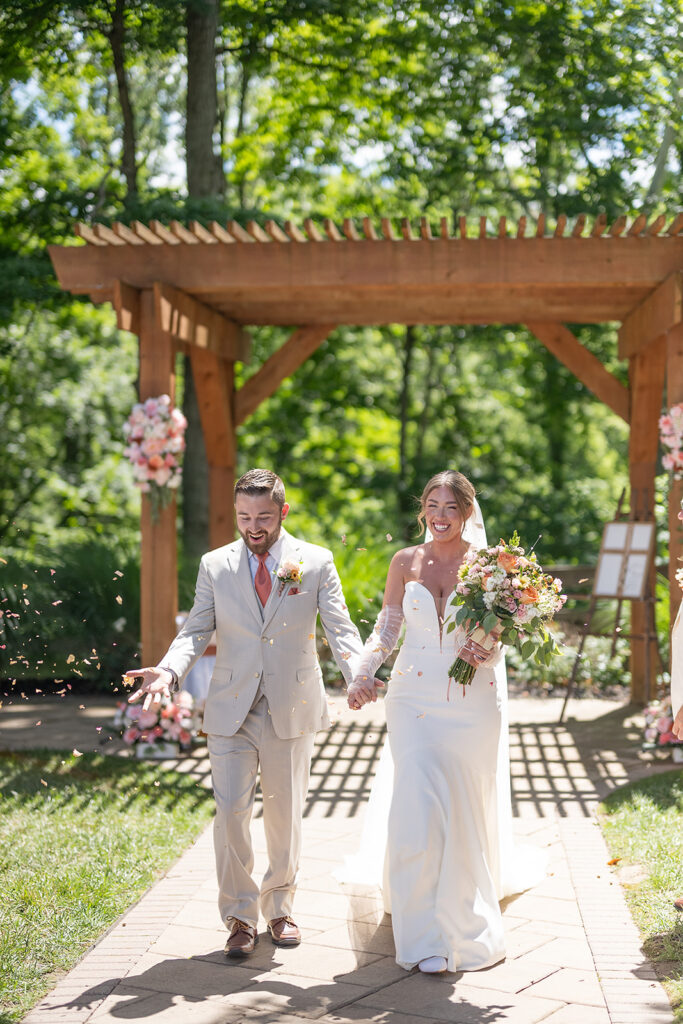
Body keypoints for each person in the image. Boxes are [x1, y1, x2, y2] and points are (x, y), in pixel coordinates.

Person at [126, 469, 363, 957]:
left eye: (262, 516)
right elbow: (195, 629)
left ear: (282, 512)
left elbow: (341, 629)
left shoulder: (316, 562)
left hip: (291, 706)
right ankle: (238, 915)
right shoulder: (215, 564)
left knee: (284, 814)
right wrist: (169, 672)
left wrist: (359, 674)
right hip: (231, 707)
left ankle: (280, 909)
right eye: (243, 517)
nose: (252, 526)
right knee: (231, 811)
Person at [345, 470, 545, 975]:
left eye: (450, 507)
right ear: (422, 510)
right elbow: (388, 627)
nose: (439, 515)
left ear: (467, 511)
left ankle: (463, 922)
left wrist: (491, 641)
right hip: (412, 697)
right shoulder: (404, 560)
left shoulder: (490, 567)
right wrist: (364, 672)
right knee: (417, 803)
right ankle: (422, 933)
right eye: (432, 505)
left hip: (473, 700)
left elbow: (508, 622)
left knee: (461, 808)